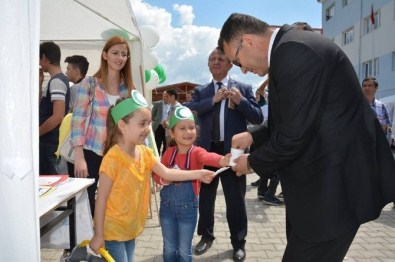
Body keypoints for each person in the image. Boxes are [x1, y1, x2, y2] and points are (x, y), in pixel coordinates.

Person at [218, 13, 395, 261]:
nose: (244, 69)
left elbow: (294, 134)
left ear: (247, 41)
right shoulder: (288, 50)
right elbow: (295, 118)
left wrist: (251, 163)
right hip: (319, 192)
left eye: (237, 61)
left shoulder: (295, 52)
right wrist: (251, 135)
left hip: (335, 193)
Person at [89, 92, 214, 262]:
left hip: (130, 229)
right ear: (122, 126)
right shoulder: (112, 159)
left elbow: (167, 173)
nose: (148, 128)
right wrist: (98, 234)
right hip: (113, 231)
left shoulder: (145, 153)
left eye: (149, 123)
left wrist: (198, 174)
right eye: (142, 123)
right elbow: (101, 199)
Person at [184, 47, 263, 261]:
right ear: (208, 65)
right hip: (208, 152)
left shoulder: (244, 88)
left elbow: (257, 118)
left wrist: (241, 102)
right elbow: (191, 109)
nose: (216, 61)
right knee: (206, 199)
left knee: (236, 200)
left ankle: (239, 243)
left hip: (234, 153)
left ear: (230, 65)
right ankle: (206, 237)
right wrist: (213, 100)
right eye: (212, 59)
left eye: (221, 58)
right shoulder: (202, 91)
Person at [153, 106, 230, 262]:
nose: (188, 132)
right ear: (172, 133)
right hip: (166, 209)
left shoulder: (197, 152)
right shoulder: (168, 153)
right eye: (182, 128)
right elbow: (156, 174)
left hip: (188, 211)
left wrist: (222, 160)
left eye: (191, 127)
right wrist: (164, 179)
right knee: (169, 247)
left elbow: (209, 157)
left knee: (183, 249)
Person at [70, 36, 133, 216]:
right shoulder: (90, 83)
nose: (119, 58)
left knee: (114, 201)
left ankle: (108, 240)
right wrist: (79, 156)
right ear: (105, 55)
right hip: (92, 152)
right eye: (115, 53)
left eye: (124, 54)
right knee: (85, 204)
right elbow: (77, 120)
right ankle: (82, 241)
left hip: (118, 154)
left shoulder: (127, 88)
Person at [39, 41, 70, 175]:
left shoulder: (57, 81)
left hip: (50, 142)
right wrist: (40, 83)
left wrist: (37, 133)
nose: (39, 63)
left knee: (52, 183)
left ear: (45, 58)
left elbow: (58, 116)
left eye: (40, 59)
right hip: (48, 141)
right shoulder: (56, 80)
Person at [152, 91, 170, 156]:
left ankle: (164, 160)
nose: (165, 98)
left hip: (167, 128)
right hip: (158, 127)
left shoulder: (172, 105)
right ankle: (157, 159)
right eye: (164, 96)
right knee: (158, 144)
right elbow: (152, 115)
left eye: (166, 96)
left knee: (166, 144)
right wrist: (157, 121)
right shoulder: (157, 104)